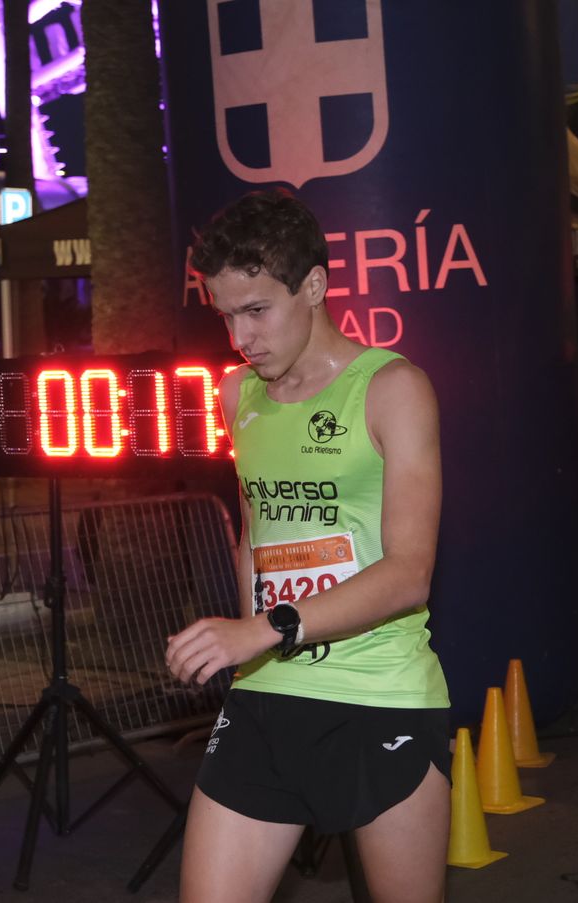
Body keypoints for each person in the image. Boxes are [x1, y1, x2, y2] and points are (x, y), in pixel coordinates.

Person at [165, 189, 450, 903]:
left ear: (315, 286)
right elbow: (254, 536)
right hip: (267, 691)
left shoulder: (393, 388)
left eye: (257, 310)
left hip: (377, 695)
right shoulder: (236, 394)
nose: (241, 336)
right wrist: (248, 648)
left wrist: (260, 628)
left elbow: (410, 573)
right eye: (226, 315)